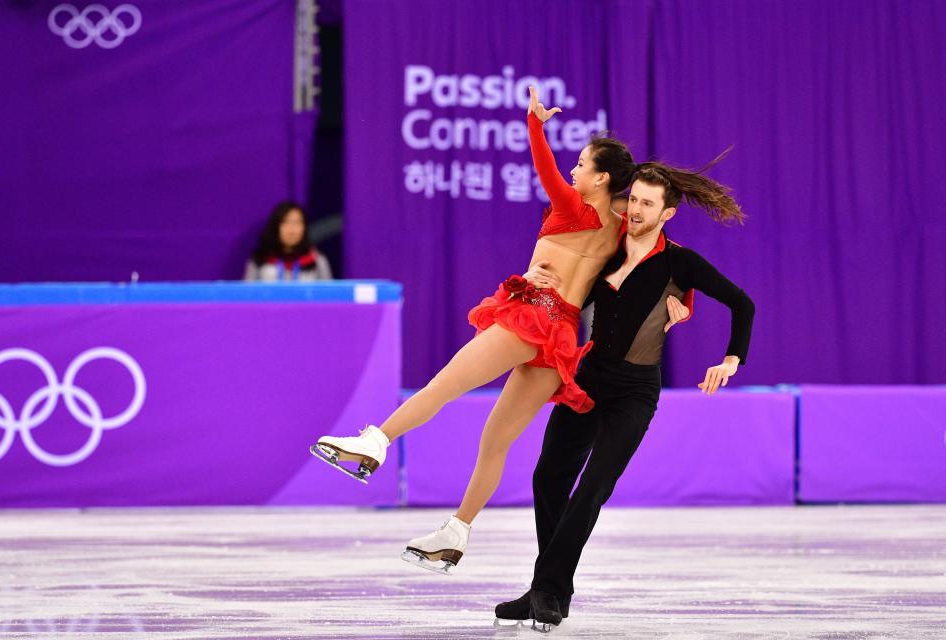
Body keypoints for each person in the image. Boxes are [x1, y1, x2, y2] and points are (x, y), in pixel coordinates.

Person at [311, 86, 637, 572]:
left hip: (532, 317)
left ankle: (374, 443)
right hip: (561, 337)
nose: (573, 170)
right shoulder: (622, 229)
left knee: (443, 385)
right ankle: (457, 532)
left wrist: (534, 123)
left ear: (601, 177)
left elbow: (544, 168)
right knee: (496, 441)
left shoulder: (574, 207)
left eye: (582, 164)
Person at [493, 162, 755, 631]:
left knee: (592, 489)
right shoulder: (608, 249)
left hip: (634, 391)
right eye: (632, 199)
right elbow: (571, 294)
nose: (634, 209)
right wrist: (542, 284)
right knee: (548, 477)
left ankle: (548, 591)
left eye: (646, 204)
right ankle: (547, 589)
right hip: (589, 377)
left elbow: (742, 302)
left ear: (667, 214)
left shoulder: (680, 262)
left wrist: (731, 359)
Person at [244, 201, 333, 282]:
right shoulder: (260, 258)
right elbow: (247, 294)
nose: (292, 229)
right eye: (285, 222)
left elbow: (328, 295)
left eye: (297, 222)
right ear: (276, 227)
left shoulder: (316, 259)